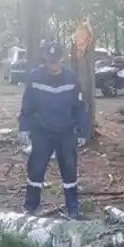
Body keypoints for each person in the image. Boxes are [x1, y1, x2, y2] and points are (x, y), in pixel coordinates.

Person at [18, 40, 90, 219]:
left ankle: (73, 209)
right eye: (50, 60)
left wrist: (82, 130)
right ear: (45, 58)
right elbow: (27, 105)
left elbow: (80, 106)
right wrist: (24, 128)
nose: (53, 64)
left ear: (61, 59)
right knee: (36, 169)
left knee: (69, 170)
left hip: (66, 132)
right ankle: (30, 207)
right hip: (42, 131)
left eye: (56, 60)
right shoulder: (35, 78)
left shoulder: (71, 78)